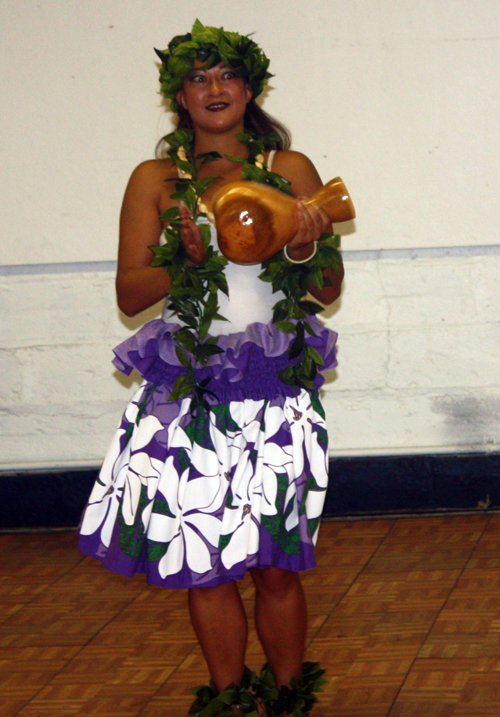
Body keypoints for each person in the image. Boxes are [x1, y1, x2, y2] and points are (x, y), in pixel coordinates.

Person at [78, 20, 344, 717]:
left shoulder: (291, 171)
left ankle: (289, 697)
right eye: (198, 78)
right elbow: (129, 295)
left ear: (250, 89)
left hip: (275, 387)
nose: (215, 88)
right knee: (207, 564)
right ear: (180, 98)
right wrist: (182, 263)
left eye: (226, 75)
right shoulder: (155, 180)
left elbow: (327, 288)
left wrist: (301, 247)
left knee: (277, 564)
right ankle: (228, 700)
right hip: (191, 391)